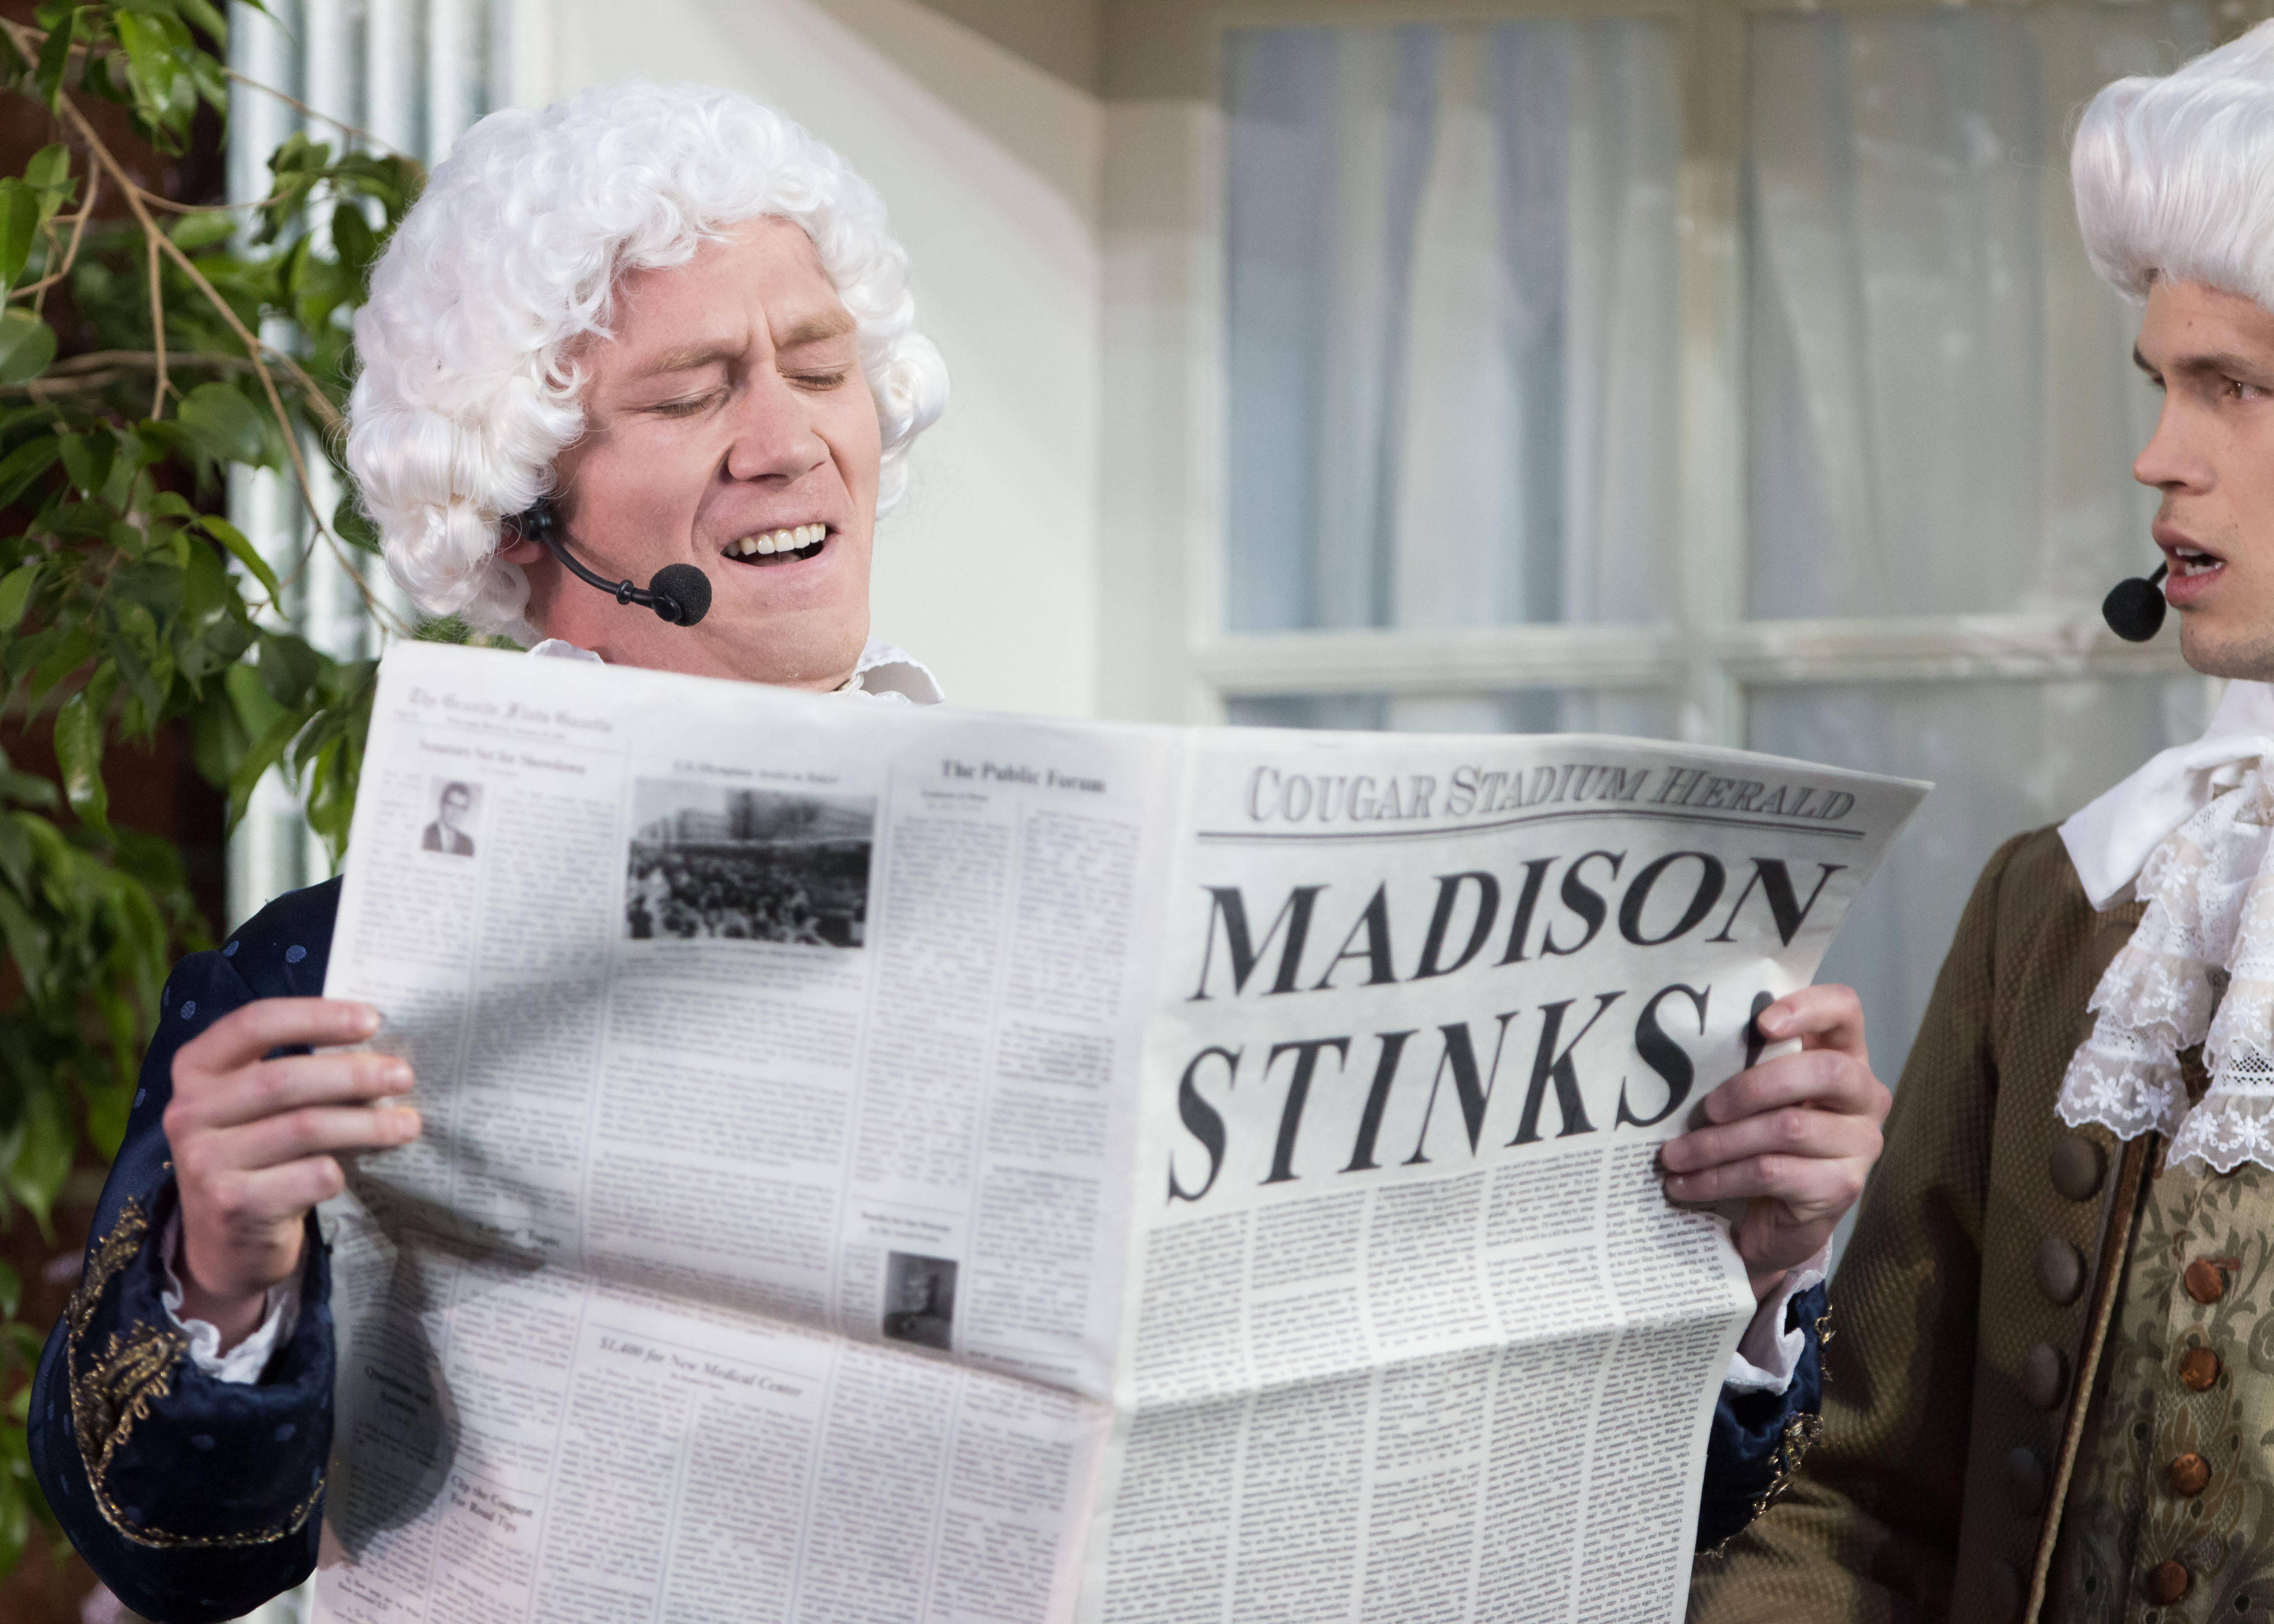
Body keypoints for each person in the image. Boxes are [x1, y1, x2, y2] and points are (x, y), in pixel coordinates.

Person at [27, 81, 1888, 1624]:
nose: (787, 444)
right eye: (690, 392)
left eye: (818, 365)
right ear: (523, 507)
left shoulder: (1107, 882)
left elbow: (1651, 1514)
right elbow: (171, 1553)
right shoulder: (339, 968)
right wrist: (224, 1272)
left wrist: (1745, 1278)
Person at [1689, 23, 2274, 1623]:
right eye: (2160, 384)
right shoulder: (2060, 906)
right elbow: (1862, 1503)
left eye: (2232, 385)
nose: (2156, 456)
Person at [419, 780, 475, 855]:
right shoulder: (425, 834)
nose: (456, 813)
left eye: (461, 808)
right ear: (442, 804)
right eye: (452, 805)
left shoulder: (468, 844)